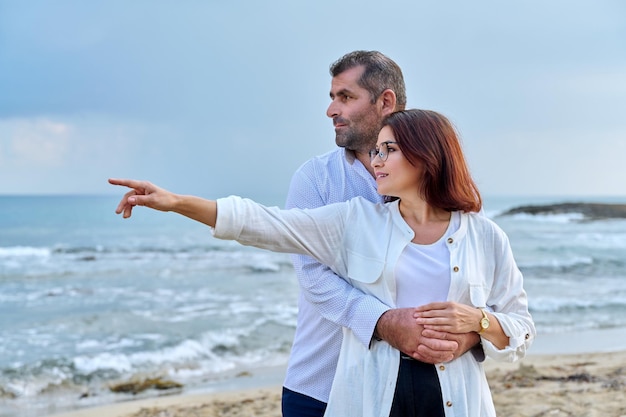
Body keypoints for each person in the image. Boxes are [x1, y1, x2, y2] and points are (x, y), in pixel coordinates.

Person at [109, 108, 535, 417]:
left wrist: (477, 322)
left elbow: (520, 325)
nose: (377, 159)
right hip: (372, 395)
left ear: (427, 157)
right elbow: (266, 223)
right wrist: (175, 202)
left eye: (389, 150)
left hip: (455, 398)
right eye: (376, 150)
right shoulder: (356, 221)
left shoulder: (484, 236)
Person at [282, 50, 481, 416]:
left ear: (385, 101)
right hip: (320, 385)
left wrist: (469, 336)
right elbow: (312, 276)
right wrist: (384, 323)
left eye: (346, 97)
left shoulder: (436, 186)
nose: (331, 110)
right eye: (332, 98)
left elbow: (473, 287)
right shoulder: (315, 180)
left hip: (419, 390)